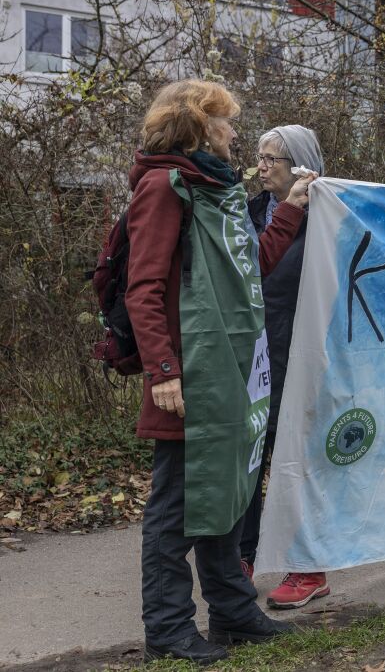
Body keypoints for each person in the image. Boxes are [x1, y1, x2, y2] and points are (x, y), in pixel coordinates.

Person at [126, 80, 317, 664]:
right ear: (201, 127)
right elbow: (144, 287)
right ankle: (168, 628)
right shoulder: (164, 187)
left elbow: (248, 272)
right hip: (188, 376)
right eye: (228, 123)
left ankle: (232, 612)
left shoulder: (216, 191)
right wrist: (163, 369)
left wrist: (287, 214)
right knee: (177, 508)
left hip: (233, 375)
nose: (236, 133)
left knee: (229, 496)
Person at [239, 125, 330, 609]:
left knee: (298, 461)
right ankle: (243, 558)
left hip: (303, 356)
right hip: (255, 355)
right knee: (252, 457)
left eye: (273, 157)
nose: (263, 165)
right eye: (260, 156)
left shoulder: (328, 215)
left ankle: (307, 567)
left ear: (300, 164)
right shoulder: (249, 212)